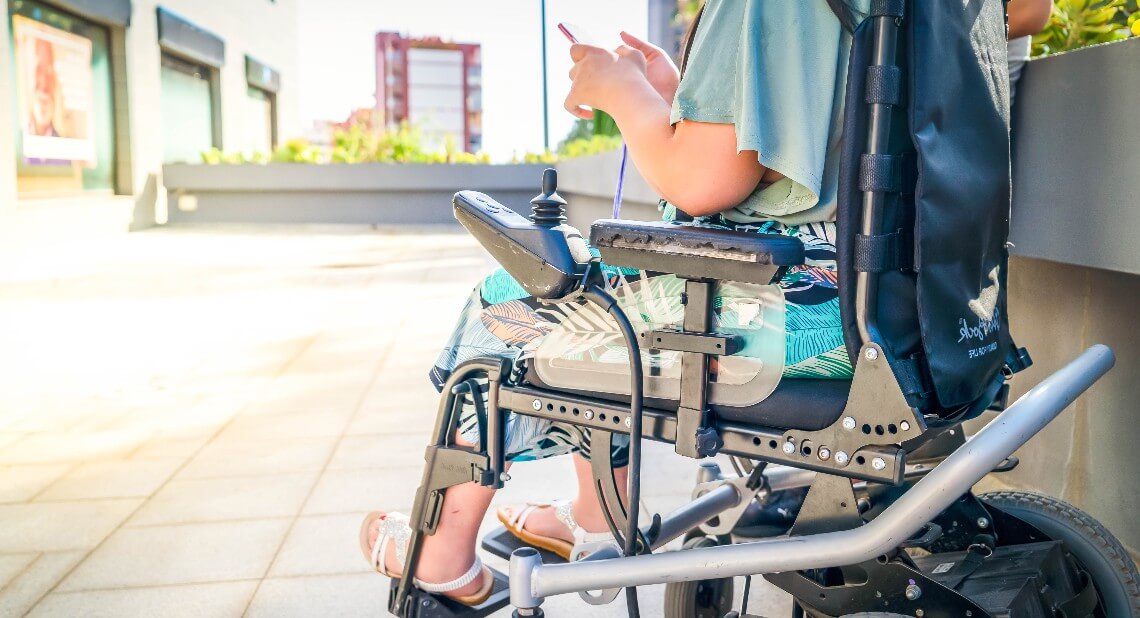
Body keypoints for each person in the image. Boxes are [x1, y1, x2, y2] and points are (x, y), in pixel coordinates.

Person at [359, 0, 869, 603]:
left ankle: (443, 549)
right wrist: (675, 97)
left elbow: (703, 183)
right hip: (885, 301)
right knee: (617, 296)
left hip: (792, 317)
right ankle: (597, 512)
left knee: (514, 302)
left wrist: (625, 95)